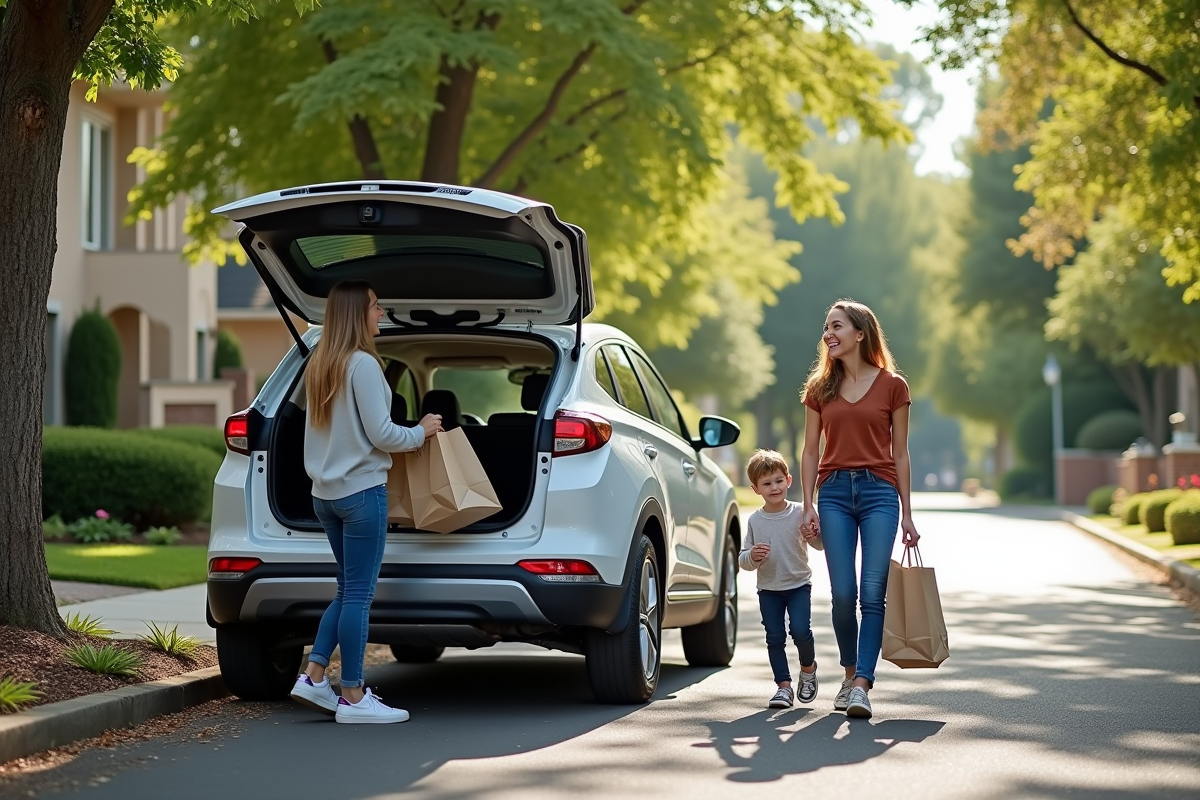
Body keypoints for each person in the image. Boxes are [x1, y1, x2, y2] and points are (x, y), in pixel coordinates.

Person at [289, 280, 443, 724]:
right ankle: (353, 696)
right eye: (376, 306)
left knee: (346, 588)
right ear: (358, 313)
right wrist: (422, 431)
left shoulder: (319, 364)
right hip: (360, 494)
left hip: (325, 496)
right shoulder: (364, 366)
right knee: (358, 594)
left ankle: (315, 676)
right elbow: (382, 433)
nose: (382, 312)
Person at [799, 298, 919, 720]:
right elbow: (811, 451)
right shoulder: (820, 388)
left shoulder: (893, 386)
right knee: (843, 594)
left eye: (836, 326)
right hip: (832, 493)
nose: (828, 334)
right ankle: (849, 675)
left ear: (860, 333)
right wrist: (807, 503)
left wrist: (907, 512)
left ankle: (863, 684)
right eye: (826, 328)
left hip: (879, 494)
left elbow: (900, 454)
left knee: (872, 593)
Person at [739, 450, 824, 709]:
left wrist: (812, 537)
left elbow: (821, 545)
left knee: (800, 631)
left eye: (778, 480)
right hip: (769, 589)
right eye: (766, 483)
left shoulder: (801, 512)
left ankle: (808, 670)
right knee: (774, 637)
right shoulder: (755, 520)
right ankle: (783, 687)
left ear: (788, 480)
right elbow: (743, 560)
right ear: (756, 489)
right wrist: (753, 555)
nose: (774, 487)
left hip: (798, 585)